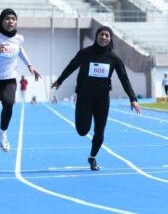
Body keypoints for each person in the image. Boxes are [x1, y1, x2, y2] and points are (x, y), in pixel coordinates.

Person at [51, 26, 141, 171]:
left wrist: (133, 99)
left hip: (102, 99)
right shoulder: (85, 53)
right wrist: (59, 81)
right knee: (82, 130)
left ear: (110, 39)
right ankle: (83, 127)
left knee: (100, 132)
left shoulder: (114, 58)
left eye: (107, 35)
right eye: (101, 34)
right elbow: (71, 66)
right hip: (84, 97)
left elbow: (124, 79)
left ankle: (92, 157)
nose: (104, 37)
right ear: (96, 36)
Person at [0, 8, 41, 152]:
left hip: (8, 79)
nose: (10, 21)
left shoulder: (19, 38)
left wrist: (29, 64)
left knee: (9, 104)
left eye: (13, 18)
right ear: (1, 21)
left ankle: (3, 133)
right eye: (7, 18)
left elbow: (20, 50)